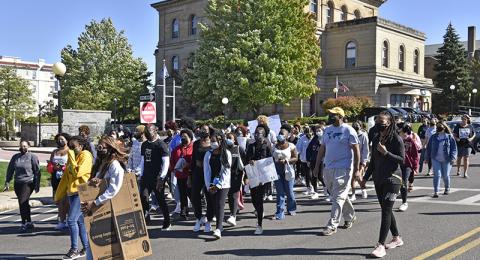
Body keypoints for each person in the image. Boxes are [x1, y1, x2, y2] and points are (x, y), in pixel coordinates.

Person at [361, 111, 405, 258]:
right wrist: (365, 178)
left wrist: (386, 153)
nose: (379, 124)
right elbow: (373, 161)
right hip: (379, 179)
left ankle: (380, 245)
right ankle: (397, 238)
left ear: (390, 123)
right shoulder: (376, 138)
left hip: (393, 180)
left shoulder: (396, 139)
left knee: (386, 211)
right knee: (386, 209)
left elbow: (402, 160)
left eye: (382, 121)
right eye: (377, 121)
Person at [313, 107, 360, 236]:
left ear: (340, 116)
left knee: (338, 196)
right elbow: (322, 149)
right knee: (337, 195)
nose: (329, 116)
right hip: (328, 167)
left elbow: (356, 150)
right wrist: (317, 166)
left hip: (343, 168)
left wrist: (357, 169)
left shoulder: (348, 130)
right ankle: (350, 216)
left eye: (333, 114)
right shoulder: (327, 130)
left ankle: (332, 225)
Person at [55, 136, 93, 260]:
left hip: (81, 191)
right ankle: (86, 248)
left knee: (71, 220)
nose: (70, 149)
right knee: (80, 221)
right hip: (72, 193)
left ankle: (74, 249)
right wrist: (59, 195)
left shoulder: (86, 155)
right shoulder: (73, 157)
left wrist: (70, 155)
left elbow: (77, 173)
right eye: (70, 147)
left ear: (81, 146)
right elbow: (66, 177)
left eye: (73, 147)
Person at [81, 135, 127, 224]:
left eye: (101, 147)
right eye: (98, 147)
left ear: (110, 148)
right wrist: (94, 181)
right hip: (99, 207)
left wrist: (94, 203)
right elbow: (101, 182)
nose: (99, 149)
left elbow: (113, 189)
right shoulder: (100, 163)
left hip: (110, 207)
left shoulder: (114, 165)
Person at [4, 140, 41, 233]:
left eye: (25, 146)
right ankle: (29, 222)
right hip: (18, 183)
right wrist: (7, 181)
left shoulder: (32, 157)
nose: (23, 148)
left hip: (28, 182)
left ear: (28, 146)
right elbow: (10, 169)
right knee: (24, 202)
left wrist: (37, 184)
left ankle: (23, 223)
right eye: (21, 146)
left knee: (22, 201)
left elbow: (37, 172)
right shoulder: (15, 157)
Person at [139, 124, 171, 230]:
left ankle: (167, 220)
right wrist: (140, 173)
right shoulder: (144, 145)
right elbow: (143, 161)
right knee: (143, 197)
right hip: (146, 177)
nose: (148, 133)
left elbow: (166, 163)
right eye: (146, 132)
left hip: (157, 178)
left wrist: (162, 178)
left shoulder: (161, 145)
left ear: (155, 131)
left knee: (160, 199)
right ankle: (146, 218)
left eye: (150, 131)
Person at [204, 131, 232, 239]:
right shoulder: (208, 154)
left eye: (214, 141)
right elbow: (206, 171)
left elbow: (226, 171)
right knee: (214, 204)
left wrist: (219, 185)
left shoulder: (226, 153)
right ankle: (219, 224)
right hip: (211, 183)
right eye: (211, 141)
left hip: (223, 184)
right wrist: (208, 186)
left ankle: (218, 229)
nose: (212, 143)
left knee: (220, 204)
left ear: (220, 141)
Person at [246, 124, 273, 235]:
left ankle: (259, 224)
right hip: (253, 174)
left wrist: (268, 177)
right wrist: (250, 161)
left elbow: (270, 161)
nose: (257, 135)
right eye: (256, 133)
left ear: (264, 135)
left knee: (260, 199)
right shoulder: (250, 145)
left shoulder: (267, 146)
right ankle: (258, 211)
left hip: (263, 176)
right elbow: (246, 159)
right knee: (253, 198)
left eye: (259, 133)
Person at [191, 124, 214, 232]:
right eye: (201, 130)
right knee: (195, 196)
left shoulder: (213, 144)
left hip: (209, 172)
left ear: (209, 131)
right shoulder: (196, 144)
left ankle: (209, 220)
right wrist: (190, 176)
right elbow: (192, 161)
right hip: (198, 172)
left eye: (205, 130)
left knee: (209, 196)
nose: (203, 131)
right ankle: (198, 218)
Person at [425, 121, 457, 198]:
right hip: (435, 158)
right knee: (437, 175)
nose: (439, 128)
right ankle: (436, 191)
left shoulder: (449, 137)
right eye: (438, 126)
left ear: (444, 127)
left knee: (445, 175)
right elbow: (428, 148)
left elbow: (454, 149)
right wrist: (426, 158)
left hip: (447, 159)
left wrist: (453, 158)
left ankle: (447, 188)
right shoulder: (433, 137)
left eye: (441, 127)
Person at [273, 127, 298, 220]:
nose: (281, 135)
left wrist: (287, 160)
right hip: (277, 170)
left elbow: (296, 158)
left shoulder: (291, 146)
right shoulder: (274, 146)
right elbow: (270, 157)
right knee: (279, 192)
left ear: (287, 136)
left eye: (283, 134)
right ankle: (280, 212)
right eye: (280, 133)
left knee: (289, 191)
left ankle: (291, 208)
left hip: (288, 170)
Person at [49, 133, 71, 230]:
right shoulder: (54, 152)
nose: (60, 141)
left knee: (66, 200)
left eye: (62, 139)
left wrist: (64, 167)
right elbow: (50, 163)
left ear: (67, 140)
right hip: (56, 178)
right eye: (58, 139)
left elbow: (73, 164)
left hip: (67, 178)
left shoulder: (70, 151)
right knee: (58, 200)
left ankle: (66, 220)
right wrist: (53, 167)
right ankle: (62, 220)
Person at [170, 129, 194, 219]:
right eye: (182, 137)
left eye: (185, 137)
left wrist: (188, 165)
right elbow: (172, 160)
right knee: (183, 195)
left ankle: (197, 211)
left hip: (191, 176)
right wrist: (173, 169)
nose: (183, 138)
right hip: (180, 176)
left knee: (192, 194)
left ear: (190, 138)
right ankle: (184, 212)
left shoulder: (194, 147)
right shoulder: (177, 149)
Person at [398, 123, 419, 212]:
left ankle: (404, 202)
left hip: (407, 165)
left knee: (404, 182)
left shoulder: (411, 141)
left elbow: (415, 155)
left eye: (400, 130)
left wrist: (415, 167)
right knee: (396, 182)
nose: (398, 131)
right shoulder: (396, 140)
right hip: (397, 164)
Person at [226, 132, 246, 226]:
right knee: (229, 195)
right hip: (226, 176)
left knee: (234, 195)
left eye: (230, 138)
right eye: (227, 138)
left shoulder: (239, 149)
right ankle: (232, 213)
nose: (228, 139)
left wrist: (246, 177)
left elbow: (245, 163)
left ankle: (233, 216)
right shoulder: (224, 149)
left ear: (234, 139)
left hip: (236, 176)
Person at [351, 121, 369, 201]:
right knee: (352, 177)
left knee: (358, 176)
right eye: (354, 125)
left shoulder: (363, 135)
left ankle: (363, 189)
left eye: (357, 125)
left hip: (360, 160)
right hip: (351, 160)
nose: (355, 126)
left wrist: (364, 161)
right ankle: (353, 194)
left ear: (360, 126)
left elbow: (366, 149)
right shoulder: (351, 135)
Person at [306, 124, 325, 200]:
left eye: (319, 130)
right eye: (317, 131)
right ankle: (315, 192)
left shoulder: (324, 139)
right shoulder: (313, 139)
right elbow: (308, 150)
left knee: (320, 176)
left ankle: (326, 189)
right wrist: (308, 159)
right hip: (313, 160)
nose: (318, 132)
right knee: (314, 176)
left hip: (322, 160)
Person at [297, 126, 313, 196]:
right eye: (306, 132)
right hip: (304, 159)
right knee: (307, 174)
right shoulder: (302, 139)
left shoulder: (314, 138)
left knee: (312, 174)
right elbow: (298, 148)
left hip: (313, 159)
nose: (308, 133)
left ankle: (313, 188)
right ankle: (308, 188)